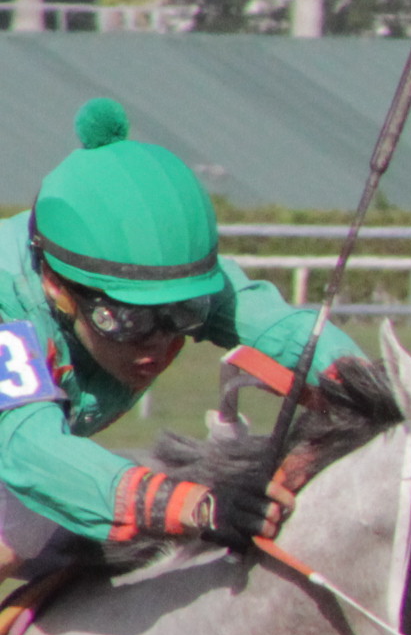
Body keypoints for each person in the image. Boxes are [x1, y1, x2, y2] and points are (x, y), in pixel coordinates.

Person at [0, 98, 362, 579]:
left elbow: (282, 329)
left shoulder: (173, 277)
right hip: (20, 452)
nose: (155, 344)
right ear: (56, 286)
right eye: (125, 320)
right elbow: (32, 454)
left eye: (181, 315)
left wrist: (375, 391)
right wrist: (198, 507)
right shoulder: (8, 307)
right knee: (16, 534)